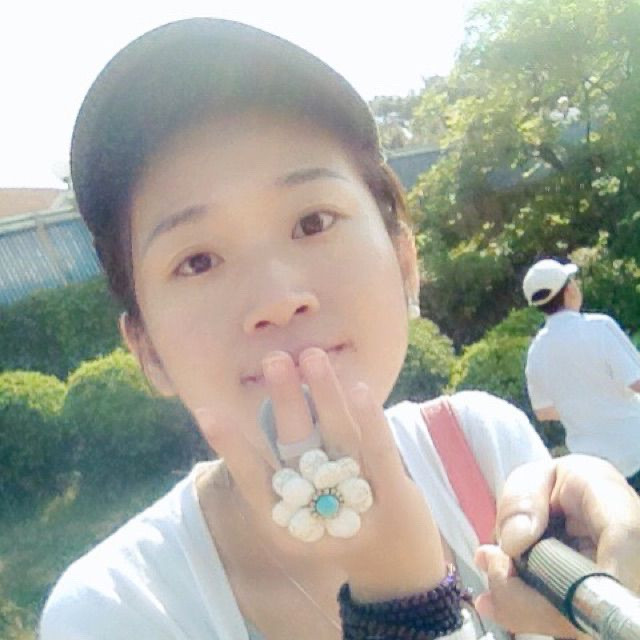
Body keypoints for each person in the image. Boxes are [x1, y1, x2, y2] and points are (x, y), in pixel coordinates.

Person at [40, 19, 640, 640]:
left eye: (313, 222)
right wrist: (405, 609)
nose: (277, 299)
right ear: (147, 351)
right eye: (197, 261)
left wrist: (610, 610)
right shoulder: (113, 612)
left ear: (403, 261)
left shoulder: (480, 446)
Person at [523, 258, 640, 492]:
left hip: (596, 474)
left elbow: (543, 411)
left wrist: (580, 406)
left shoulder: (536, 351)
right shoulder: (599, 327)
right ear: (569, 290)